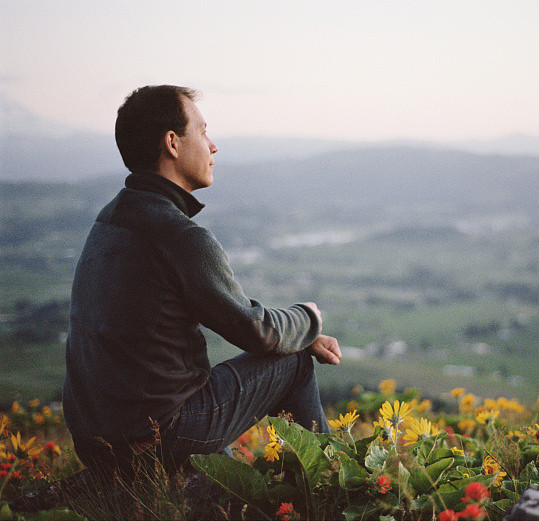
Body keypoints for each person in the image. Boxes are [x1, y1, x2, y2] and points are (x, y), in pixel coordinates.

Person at [62, 85, 342, 476]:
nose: (213, 146)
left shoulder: (109, 220)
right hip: (157, 437)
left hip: (98, 445)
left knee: (218, 478)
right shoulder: (177, 234)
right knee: (292, 361)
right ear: (172, 143)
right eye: (203, 131)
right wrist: (307, 319)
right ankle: (323, 486)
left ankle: (209, 487)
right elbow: (256, 331)